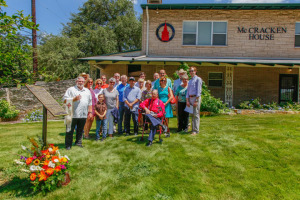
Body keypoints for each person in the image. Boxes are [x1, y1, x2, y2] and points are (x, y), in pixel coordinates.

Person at [63, 77, 92, 150]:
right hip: (73, 114)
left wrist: (90, 112)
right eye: (79, 81)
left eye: (82, 81)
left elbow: (90, 102)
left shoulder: (87, 91)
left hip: (83, 114)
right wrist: (74, 99)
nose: (81, 82)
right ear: (76, 81)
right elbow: (64, 100)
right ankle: (68, 145)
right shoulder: (71, 90)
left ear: (84, 82)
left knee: (80, 129)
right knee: (70, 130)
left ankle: (78, 142)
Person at [186, 66, 203, 135]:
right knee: (192, 114)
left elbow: (199, 91)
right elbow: (188, 91)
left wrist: (196, 100)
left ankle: (196, 130)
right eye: (190, 71)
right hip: (190, 98)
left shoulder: (198, 79)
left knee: (196, 114)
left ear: (195, 71)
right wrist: (187, 100)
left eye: (192, 71)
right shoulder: (190, 81)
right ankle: (193, 129)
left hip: (196, 98)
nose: (191, 72)